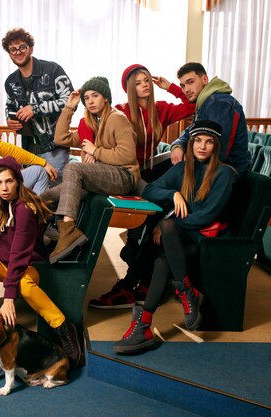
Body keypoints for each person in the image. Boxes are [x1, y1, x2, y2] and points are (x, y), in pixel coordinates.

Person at [113, 120, 236, 354]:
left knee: (168, 227)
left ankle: (176, 300)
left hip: (208, 241)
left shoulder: (224, 173)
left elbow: (206, 216)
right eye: (198, 141)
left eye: (209, 142)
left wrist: (165, 224)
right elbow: (149, 190)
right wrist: (175, 194)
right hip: (182, 238)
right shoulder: (184, 168)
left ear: (216, 146)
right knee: (162, 260)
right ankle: (148, 321)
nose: (202, 146)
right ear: (190, 144)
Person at [0, 156, 83, 367]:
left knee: (25, 286)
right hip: (3, 263)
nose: (4, 188)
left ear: (18, 181)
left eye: (9, 181)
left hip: (28, 265)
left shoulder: (24, 209)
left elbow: (19, 255)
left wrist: (8, 298)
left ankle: (64, 327)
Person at [87, 64, 195, 309]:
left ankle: (140, 270)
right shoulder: (121, 111)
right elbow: (94, 127)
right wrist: (93, 152)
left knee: (155, 210)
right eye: (138, 82)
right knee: (147, 214)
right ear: (129, 89)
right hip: (128, 173)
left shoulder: (161, 109)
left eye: (147, 80)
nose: (145, 84)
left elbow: (191, 107)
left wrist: (171, 88)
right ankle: (138, 262)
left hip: (148, 171)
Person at [41, 76, 139, 264]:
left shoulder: (117, 119)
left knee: (73, 168)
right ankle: (48, 239)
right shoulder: (95, 122)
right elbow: (61, 138)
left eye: (95, 96)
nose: (90, 101)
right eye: (87, 98)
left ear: (106, 98)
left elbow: (127, 156)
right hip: (105, 176)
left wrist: (96, 151)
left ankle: (68, 230)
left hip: (123, 176)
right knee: (45, 198)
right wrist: (69, 107)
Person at [3, 28, 73, 182]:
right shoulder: (10, 81)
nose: (18, 52)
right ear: (9, 54)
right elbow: (10, 106)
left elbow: (69, 101)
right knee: (33, 197)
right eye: (12, 49)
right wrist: (9, 120)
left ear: (31, 48)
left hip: (55, 148)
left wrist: (35, 109)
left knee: (54, 195)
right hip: (28, 150)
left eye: (22, 47)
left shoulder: (53, 70)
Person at [170, 62, 252, 176]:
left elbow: (217, 150)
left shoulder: (219, 103)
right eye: (183, 86)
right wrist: (178, 144)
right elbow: (191, 131)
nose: (186, 90)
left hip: (228, 175)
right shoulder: (206, 102)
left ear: (204, 79)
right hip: (216, 171)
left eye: (190, 82)